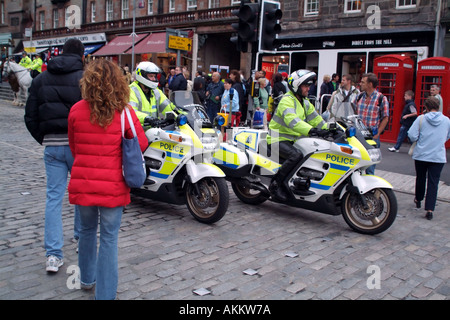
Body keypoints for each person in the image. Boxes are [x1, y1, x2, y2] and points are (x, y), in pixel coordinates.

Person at [68, 59, 147, 300]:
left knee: (87, 231)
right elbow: (140, 144)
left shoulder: (76, 110)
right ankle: (105, 295)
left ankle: (86, 280)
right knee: (110, 240)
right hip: (113, 186)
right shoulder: (125, 112)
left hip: (84, 182)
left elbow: (74, 147)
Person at [24, 38, 84, 273]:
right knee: (80, 194)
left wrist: (44, 137)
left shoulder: (41, 79)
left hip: (52, 146)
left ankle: (53, 254)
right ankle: (81, 239)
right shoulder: (84, 79)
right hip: (78, 145)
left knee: (53, 199)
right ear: (81, 56)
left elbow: (30, 116)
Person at [267, 69, 328, 201]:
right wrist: (311, 130)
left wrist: (334, 128)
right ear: (296, 86)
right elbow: (293, 121)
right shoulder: (287, 100)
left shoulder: (305, 102)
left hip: (294, 140)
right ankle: (276, 185)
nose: (308, 88)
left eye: (309, 86)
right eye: (305, 86)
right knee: (296, 155)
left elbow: (317, 120)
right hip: (278, 138)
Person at [408, 97, 450, 220]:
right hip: (438, 156)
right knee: (433, 182)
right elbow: (447, 135)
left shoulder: (421, 119)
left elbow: (411, 134)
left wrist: (419, 139)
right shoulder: (447, 120)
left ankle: (418, 199)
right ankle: (430, 209)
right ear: (439, 106)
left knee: (421, 178)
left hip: (421, 154)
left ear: (426, 107)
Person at [353, 72, 389, 175]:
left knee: (370, 168)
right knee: (357, 166)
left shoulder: (381, 98)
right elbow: (353, 114)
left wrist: (377, 133)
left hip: (372, 137)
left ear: (370, 84)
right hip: (358, 136)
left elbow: (385, 118)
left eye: (363, 82)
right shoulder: (359, 97)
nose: (360, 84)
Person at [128, 61, 176, 127]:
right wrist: (147, 118)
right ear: (142, 75)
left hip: (153, 131)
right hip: (137, 131)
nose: (154, 79)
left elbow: (168, 107)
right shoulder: (131, 91)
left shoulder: (156, 91)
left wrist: (178, 113)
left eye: (154, 76)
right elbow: (132, 112)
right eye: (151, 76)